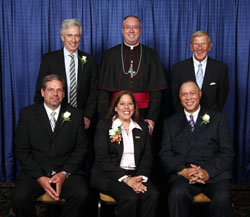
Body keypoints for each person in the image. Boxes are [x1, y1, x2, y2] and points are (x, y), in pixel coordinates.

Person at [13, 74, 89, 217]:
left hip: (66, 172)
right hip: (36, 173)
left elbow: (81, 149)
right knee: (19, 198)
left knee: (81, 195)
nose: (55, 94)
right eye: (51, 89)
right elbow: (21, 150)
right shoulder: (27, 114)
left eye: (59, 90)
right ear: (42, 92)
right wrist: (40, 177)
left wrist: (64, 173)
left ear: (64, 94)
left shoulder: (76, 115)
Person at [159, 81, 234, 217]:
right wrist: (183, 171)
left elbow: (227, 151)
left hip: (215, 174)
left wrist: (208, 172)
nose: (188, 98)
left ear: (200, 94)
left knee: (222, 198)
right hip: (184, 174)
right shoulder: (170, 122)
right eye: (184, 94)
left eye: (192, 93)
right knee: (176, 194)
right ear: (179, 97)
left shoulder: (217, 118)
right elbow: (165, 153)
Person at [91, 90, 159, 217]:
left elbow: (147, 157)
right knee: (130, 197)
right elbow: (102, 160)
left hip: (136, 174)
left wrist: (140, 179)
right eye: (122, 104)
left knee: (152, 194)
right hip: (110, 175)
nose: (126, 107)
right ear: (115, 107)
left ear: (134, 107)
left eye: (130, 104)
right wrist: (127, 180)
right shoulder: (105, 125)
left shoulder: (142, 127)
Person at [97, 15, 167, 135]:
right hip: (115, 115)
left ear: (140, 30)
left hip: (143, 114)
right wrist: (107, 118)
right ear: (122, 30)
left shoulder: (151, 55)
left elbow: (156, 92)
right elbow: (103, 92)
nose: (131, 31)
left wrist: (152, 118)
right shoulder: (110, 55)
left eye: (135, 27)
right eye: (128, 27)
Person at [34, 18, 97, 130]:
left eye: (77, 35)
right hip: (55, 119)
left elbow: (94, 92)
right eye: (69, 35)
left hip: (81, 120)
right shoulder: (49, 60)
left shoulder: (90, 60)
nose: (73, 40)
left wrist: (87, 116)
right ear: (62, 37)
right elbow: (40, 91)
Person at [171, 31, 229, 112]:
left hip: (212, 118)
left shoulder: (221, 68)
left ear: (209, 46)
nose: (200, 48)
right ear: (191, 47)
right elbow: (176, 97)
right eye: (196, 44)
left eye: (203, 44)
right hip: (185, 119)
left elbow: (222, 98)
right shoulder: (178, 68)